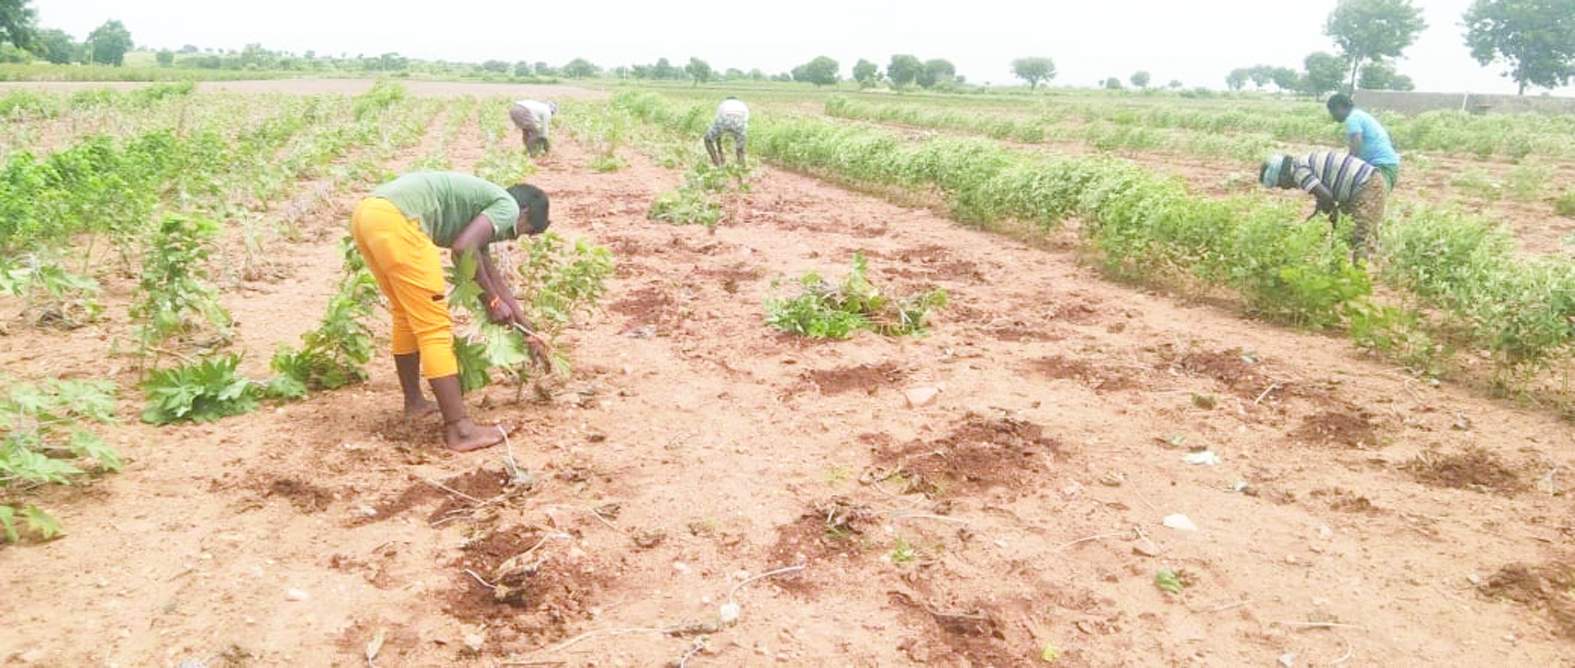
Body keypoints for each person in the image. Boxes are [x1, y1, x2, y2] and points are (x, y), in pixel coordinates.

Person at [350, 171, 550, 452]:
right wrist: (492, 302)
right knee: (435, 327)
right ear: (524, 211)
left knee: (406, 315)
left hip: (369, 214)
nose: (516, 240)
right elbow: (461, 249)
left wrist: (529, 331)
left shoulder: (483, 211)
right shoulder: (507, 207)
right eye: (526, 231)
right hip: (398, 220)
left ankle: (415, 403)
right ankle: (460, 429)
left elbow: (493, 278)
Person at [1260, 151, 1388, 264]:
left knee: (1360, 236)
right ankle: (1340, 271)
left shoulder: (1298, 172)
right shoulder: (1300, 164)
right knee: (1342, 233)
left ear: (1283, 176)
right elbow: (1322, 200)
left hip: (1367, 186)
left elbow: (1326, 198)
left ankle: (1359, 278)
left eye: (1280, 184)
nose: (1285, 188)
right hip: (1360, 186)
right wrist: (1318, 218)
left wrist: (1317, 220)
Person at [1326, 94, 1400, 189]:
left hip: (1381, 165)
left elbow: (1356, 142)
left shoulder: (1353, 118)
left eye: (1332, 111)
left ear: (1340, 107)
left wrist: (1347, 165)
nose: (1332, 115)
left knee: (1373, 198)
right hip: (1383, 164)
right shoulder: (1359, 115)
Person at [704, 96, 749, 167]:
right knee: (740, 149)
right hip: (740, 121)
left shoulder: (723, 104)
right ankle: (741, 169)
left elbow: (718, 134)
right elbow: (745, 120)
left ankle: (717, 164)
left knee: (707, 140)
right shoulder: (742, 105)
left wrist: (720, 151)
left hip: (725, 118)